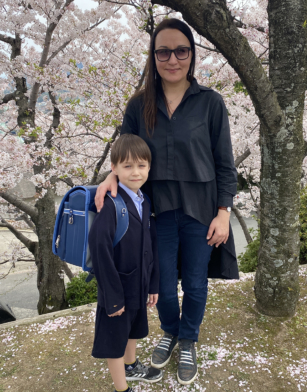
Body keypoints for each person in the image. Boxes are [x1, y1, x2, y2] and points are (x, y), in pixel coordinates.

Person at [95, 18, 238, 386]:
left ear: (191, 55)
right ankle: (171, 331)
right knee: (156, 283)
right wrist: (112, 175)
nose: (172, 58)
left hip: (200, 211)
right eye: (163, 51)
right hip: (153, 214)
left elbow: (224, 163)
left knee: (193, 282)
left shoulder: (210, 103)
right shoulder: (139, 105)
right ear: (153, 56)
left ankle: (188, 337)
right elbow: (125, 151)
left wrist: (224, 213)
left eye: (181, 50)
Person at [89, 134, 162, 392]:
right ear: (114, 168)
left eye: (141, 166)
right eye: (127, 166)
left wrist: (153, 285)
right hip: (117, 289)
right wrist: (113, 297)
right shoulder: (110, 204)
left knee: (133, 329)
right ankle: (122, 388)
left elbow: (151, 245)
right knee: (115, 340)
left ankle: (131, 367)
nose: (135, 172)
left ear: (149, 168)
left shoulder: (144, 200)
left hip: (138, 283)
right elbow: (99, 248)